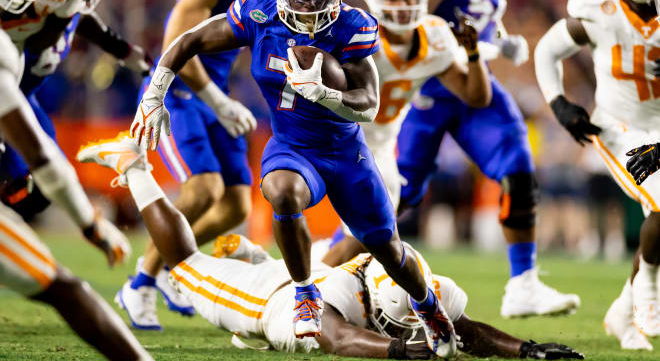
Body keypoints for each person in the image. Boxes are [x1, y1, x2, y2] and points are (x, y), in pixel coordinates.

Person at [127, 0, 459, 356]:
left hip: (345, 152)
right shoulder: (259, 12)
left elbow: (368, 104)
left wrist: (322, 94)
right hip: (292, 145)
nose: (306, 9)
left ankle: (428, 306)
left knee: (387, 248)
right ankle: (305, 293)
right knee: (281, 191)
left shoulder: (352, 27)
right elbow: (190, 38)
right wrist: (154, 94)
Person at [78, 133, 583, 360]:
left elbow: (465, 331)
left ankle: (252, 253)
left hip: (314, 270)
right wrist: (401, 352)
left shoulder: (412, 287)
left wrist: (527, 351)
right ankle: (136, 168)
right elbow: (337, 339)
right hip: (275, 303)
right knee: (186, 263)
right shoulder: (343, 300)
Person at [392, 0, 580, 318]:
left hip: (477, 79)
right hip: (430, 87)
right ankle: (328, 266)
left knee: (518, 169)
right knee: (395, 195)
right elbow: (415, 23)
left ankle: (523, 284)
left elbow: (475, 13)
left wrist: (498, 39)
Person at [118, 0, 290, 330]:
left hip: (217, 93)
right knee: (204, 188)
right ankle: (142, 280)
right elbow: (177, 43)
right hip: (179, 90)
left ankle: (172, 262)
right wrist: (218, 100)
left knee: (236, 205)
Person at [0, 0, 150, 360]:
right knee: (63, 286)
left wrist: (121, 50)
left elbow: (78, 15)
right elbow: (44, 159)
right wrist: (90, 224)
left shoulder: (53, 10)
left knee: (34, 201)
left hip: (20, 106)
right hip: (15, 110)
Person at [535, 0, 660, 350]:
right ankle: (646, 291)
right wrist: (558, 102)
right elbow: (548, 49)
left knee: (658, 221)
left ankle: (623, 313)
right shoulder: (599, 7)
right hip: (619, 128)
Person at [321, 0, 491, 266]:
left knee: (371, 236)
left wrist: (473, 53)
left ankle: (317, 277)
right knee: (368, 232)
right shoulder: (357, 34)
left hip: (382, 146)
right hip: (339, 137)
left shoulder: (435, 37)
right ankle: (301, 290)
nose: (401, 6)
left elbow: (475, 95)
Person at [0, 0, 151, 223]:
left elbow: (81, 20)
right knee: (28, 178)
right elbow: (37, 39)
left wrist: (121, 50)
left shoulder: (65, 6)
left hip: (25, 98)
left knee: (45, 185)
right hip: (8, 98)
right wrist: (63, 13)